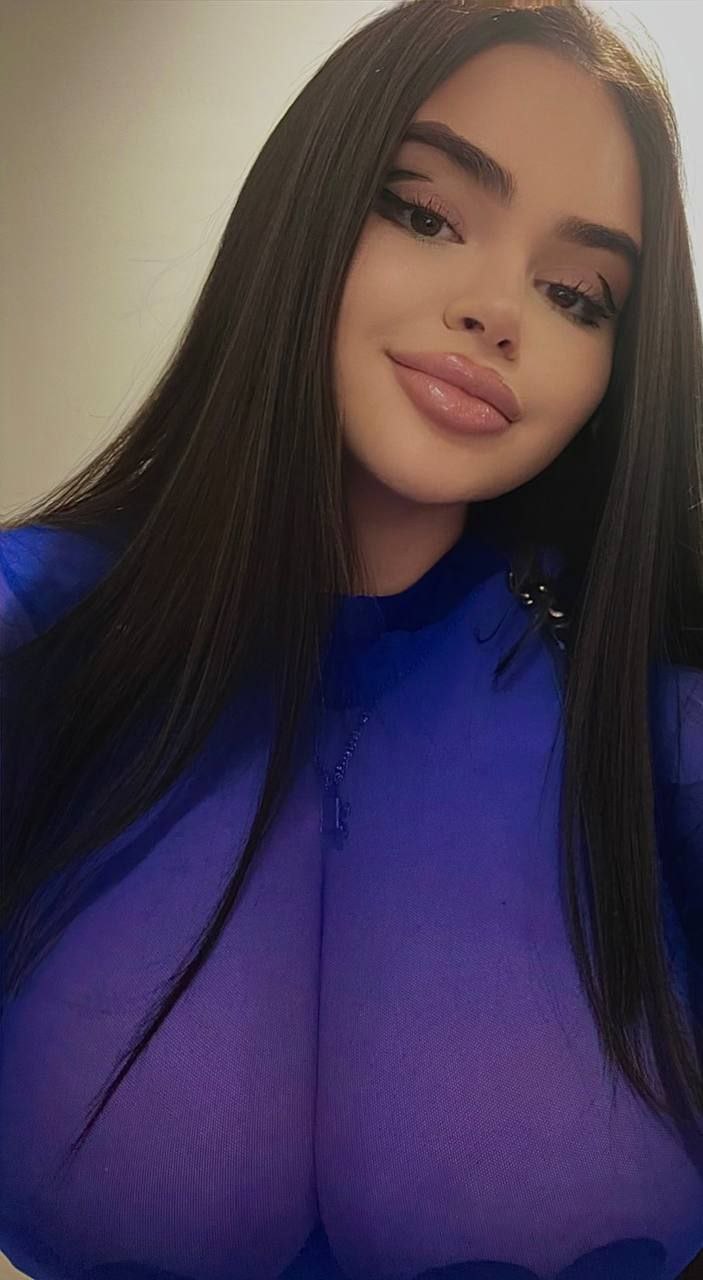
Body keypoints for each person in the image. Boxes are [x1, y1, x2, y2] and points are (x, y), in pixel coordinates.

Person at [1, 0, 703, 1276]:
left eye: (576, 293)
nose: (498, 311)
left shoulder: (650, 692)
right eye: (425, 214)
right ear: (308, 208)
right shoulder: (43, 630)